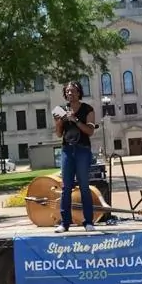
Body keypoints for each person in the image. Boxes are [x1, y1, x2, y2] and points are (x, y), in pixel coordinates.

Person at [54, 81, 97, 233]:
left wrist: (76, 120)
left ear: (79, 93)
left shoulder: (87, 109)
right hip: (67, 150)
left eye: (72, 91)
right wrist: (59, 122)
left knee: (84, 186)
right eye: (67, 91)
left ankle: (88, 222)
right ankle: (64, 223)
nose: (70, 93)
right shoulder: (61, 109)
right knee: (66, 187)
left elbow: (90, 131)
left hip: (82, 150)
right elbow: (59, 134)